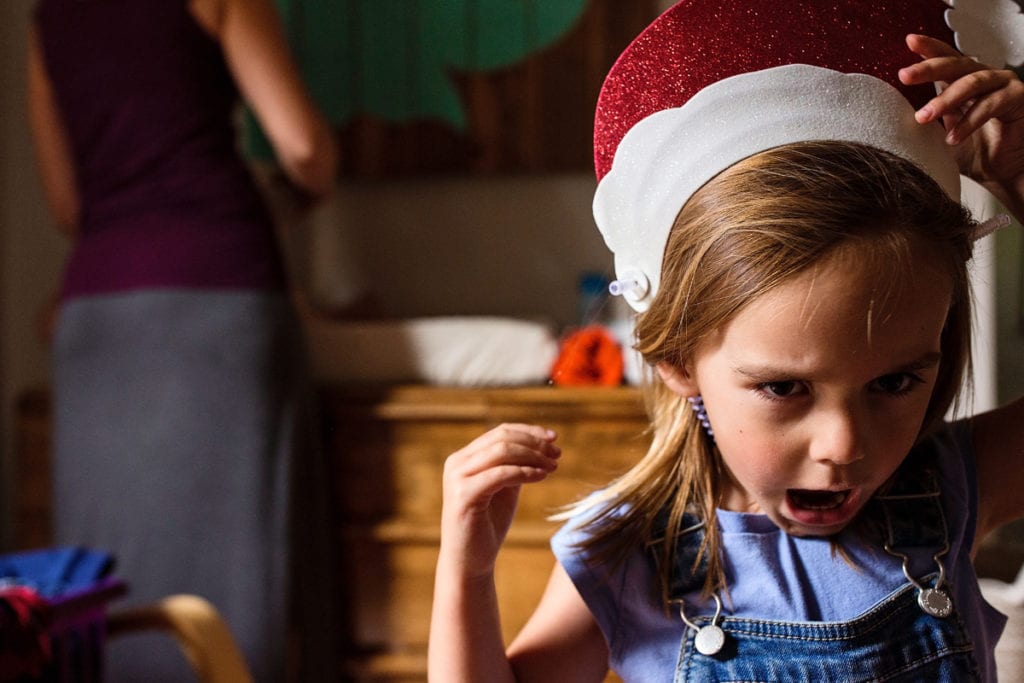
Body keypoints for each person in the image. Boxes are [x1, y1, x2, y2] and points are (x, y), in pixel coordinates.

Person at [427, 1, 1024, 681]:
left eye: (893, 382)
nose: (843, 445)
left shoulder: (951, 489)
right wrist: (465, 570)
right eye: (784, 387)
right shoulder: (631, 550)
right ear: (677, 360)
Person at [26, 0, 337, 680]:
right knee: (236, 573)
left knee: (106, 590)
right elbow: (304, 148)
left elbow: (68, 206)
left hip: (96, 318)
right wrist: (313, 183)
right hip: (216, 298)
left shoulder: (48, 19)